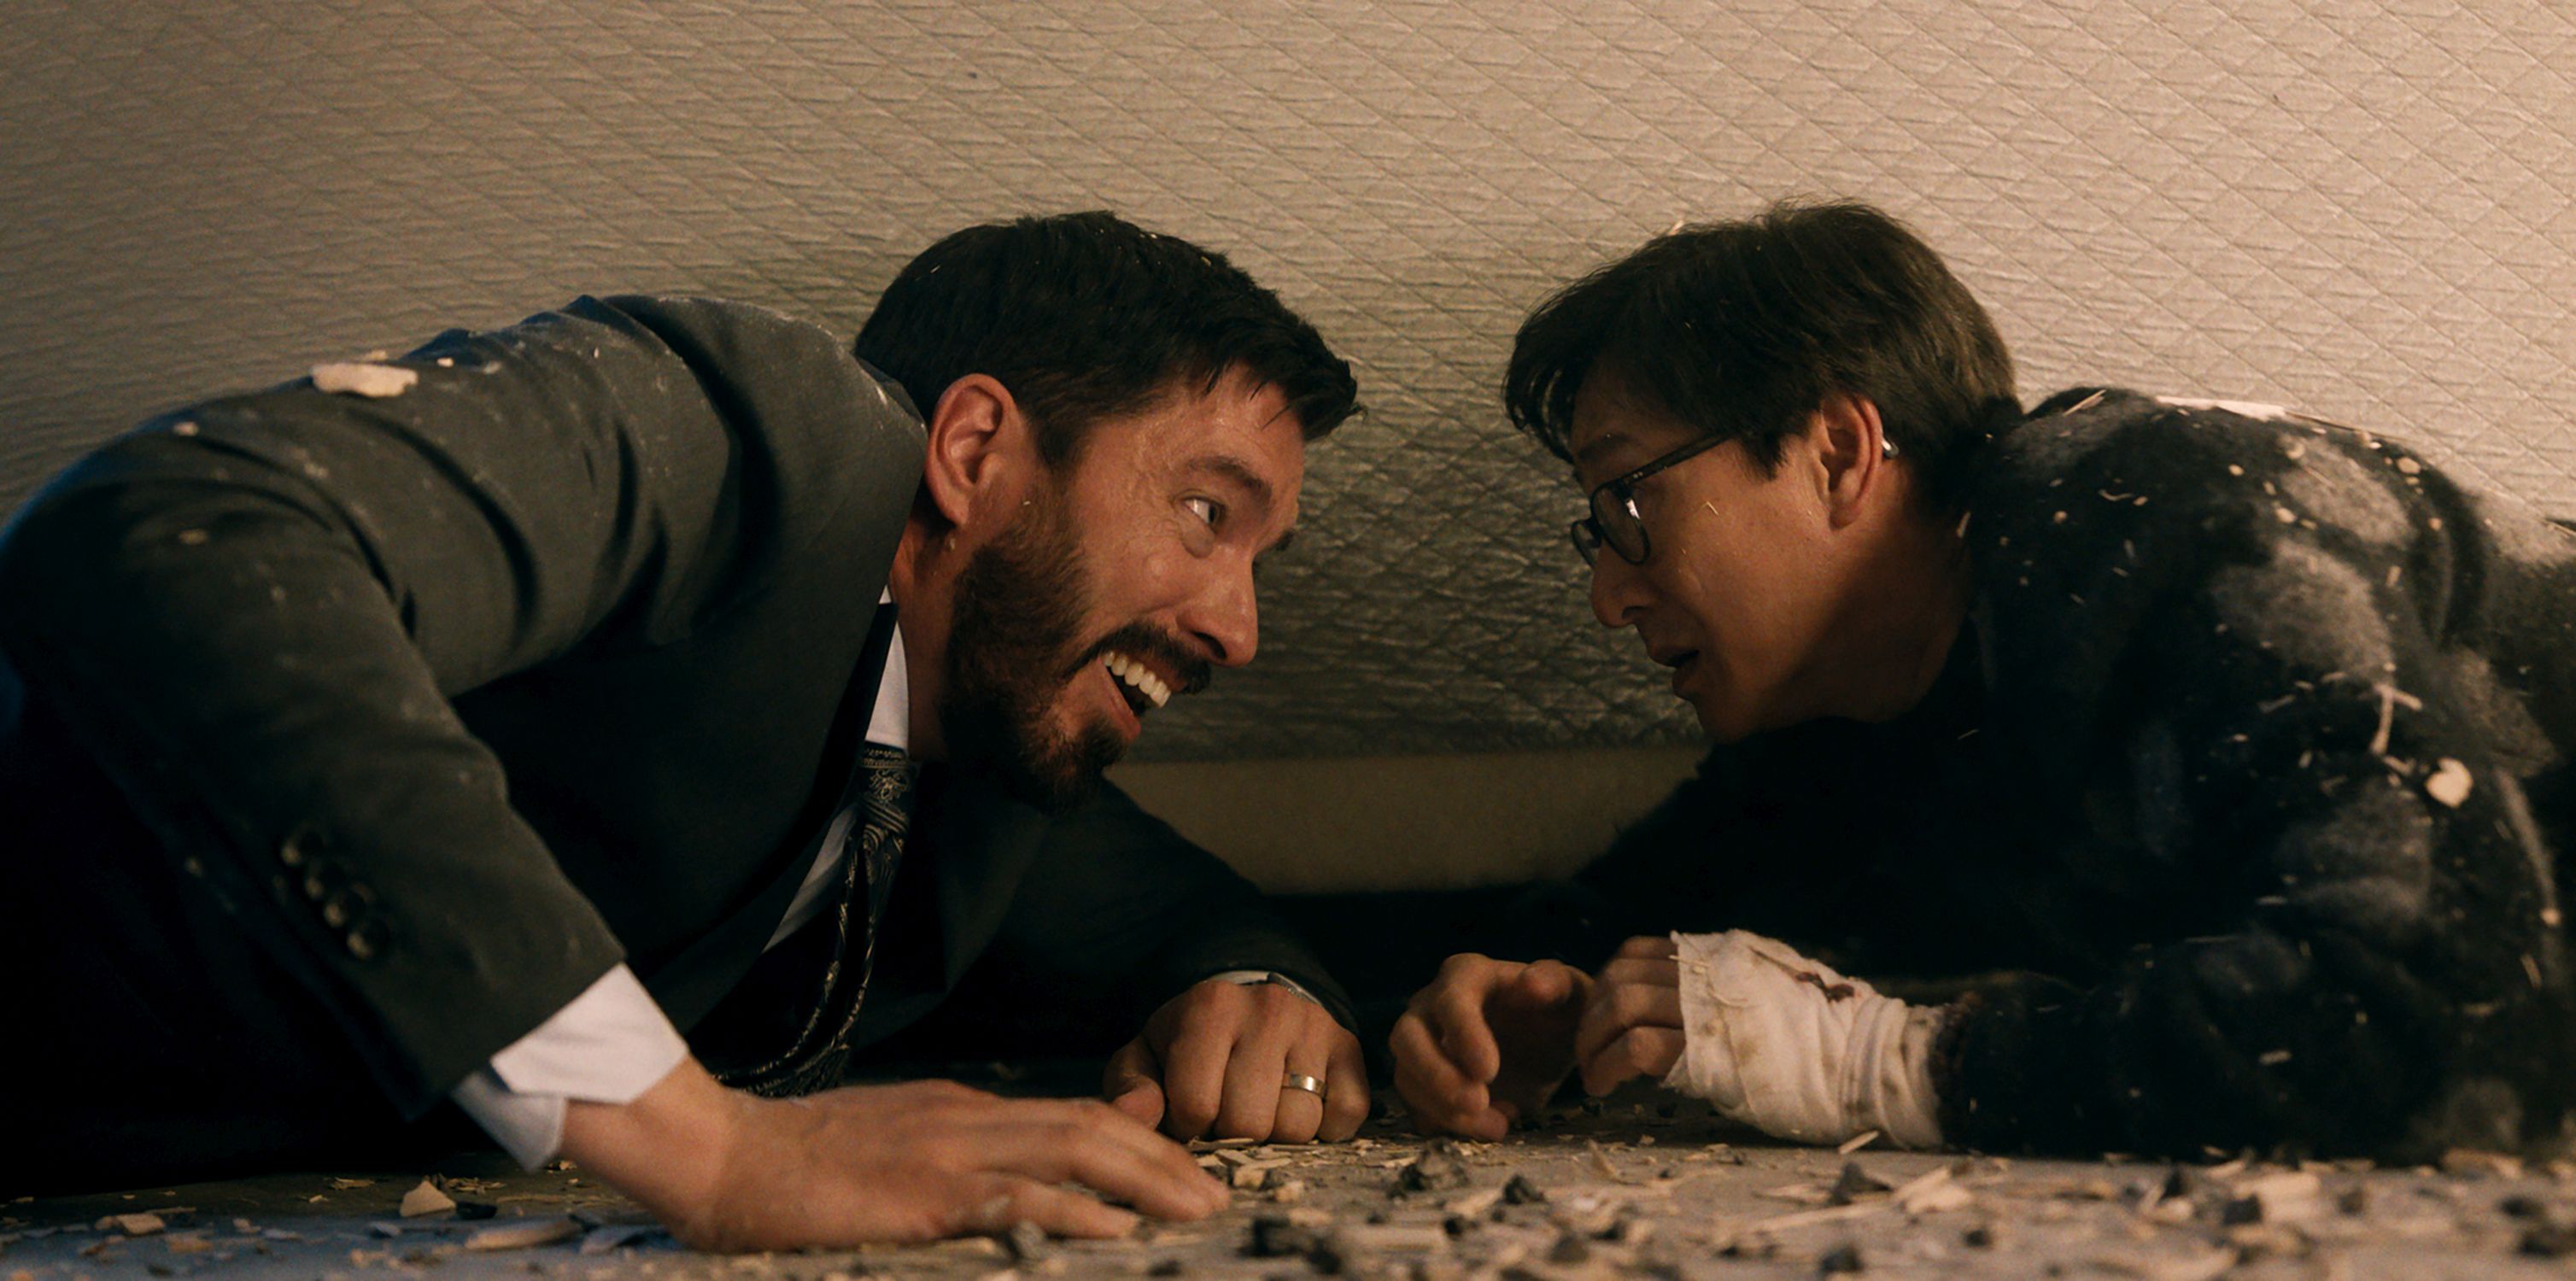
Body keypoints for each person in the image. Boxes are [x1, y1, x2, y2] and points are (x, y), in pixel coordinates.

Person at [0, 212, 1372, 1247]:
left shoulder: (978, 752)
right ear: (971, 453)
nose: (1239, 629)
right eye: (1207, 512)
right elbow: (184, 534)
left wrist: (1265, 997)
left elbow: (1177, 917)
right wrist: (708, 1149)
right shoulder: (764, 442)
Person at [1390, 200, 2576, 1162]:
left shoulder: (2153, 516)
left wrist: (1886, 1064)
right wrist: (1521, 1010)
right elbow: (1631, 922)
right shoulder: (1849, 715)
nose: (1608, 594)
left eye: (1628, 502)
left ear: (1837, 453)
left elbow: (2462, 1019)